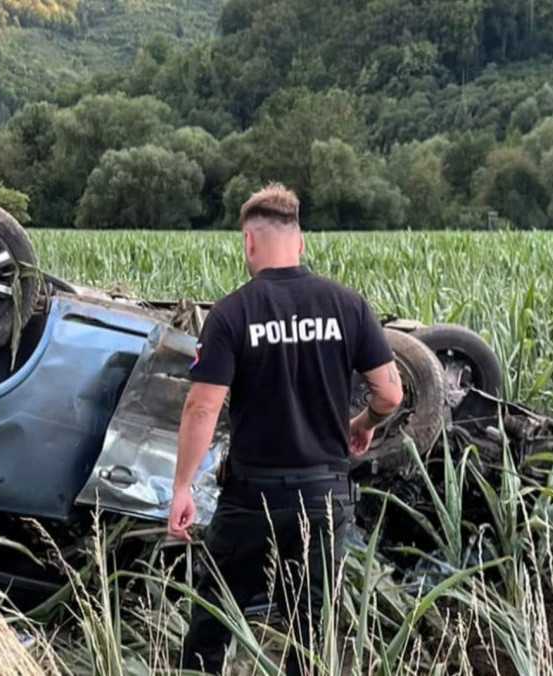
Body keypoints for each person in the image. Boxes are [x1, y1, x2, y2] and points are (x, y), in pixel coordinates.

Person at [167, 183, 404, 675]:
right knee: (313, 633)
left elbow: (201, 408)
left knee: (213, 620)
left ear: (249, 243)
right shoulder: (348, 305)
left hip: (250, 497)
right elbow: (391, 394)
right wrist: (362, 425)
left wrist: (183, 486)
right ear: (301, 241)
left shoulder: (233, 312)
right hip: (323, 495)